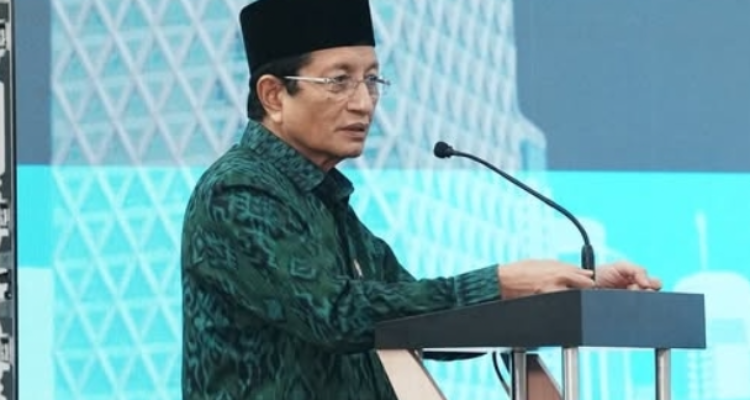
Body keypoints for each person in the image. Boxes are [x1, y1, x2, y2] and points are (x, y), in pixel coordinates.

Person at [179, 0, 663, 398]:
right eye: (339, 81)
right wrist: (499, 282)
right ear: (273, 95)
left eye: (372, 80)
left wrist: (568, 291)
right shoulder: (237, 191)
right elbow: (334, 314)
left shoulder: (328, 202)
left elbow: (423, 322)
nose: (364, 102)